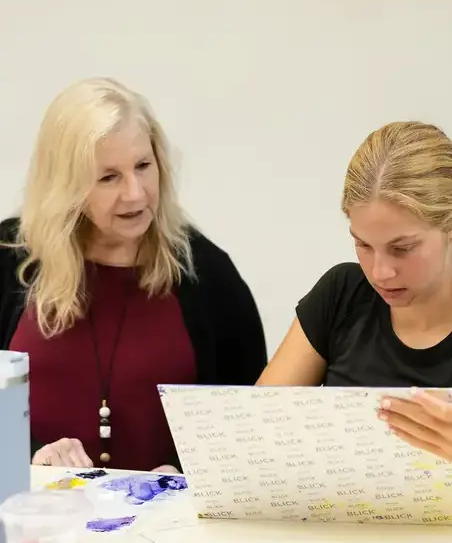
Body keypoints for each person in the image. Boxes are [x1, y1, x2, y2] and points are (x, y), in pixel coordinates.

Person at [259, 121, 452, 506]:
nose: (380, 272)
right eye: (363, 245)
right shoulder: (340, 294)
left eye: (403, 248)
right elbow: (260, 427)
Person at [0, 78, 267, 472]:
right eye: (109, 177)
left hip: (166, 526)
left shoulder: (207, 273)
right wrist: (29, 455)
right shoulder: (10, 259)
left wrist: (190, 470)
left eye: (143, 166)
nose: (137, 194)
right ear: (66, 184)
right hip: (39, 521)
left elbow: (251, 415)